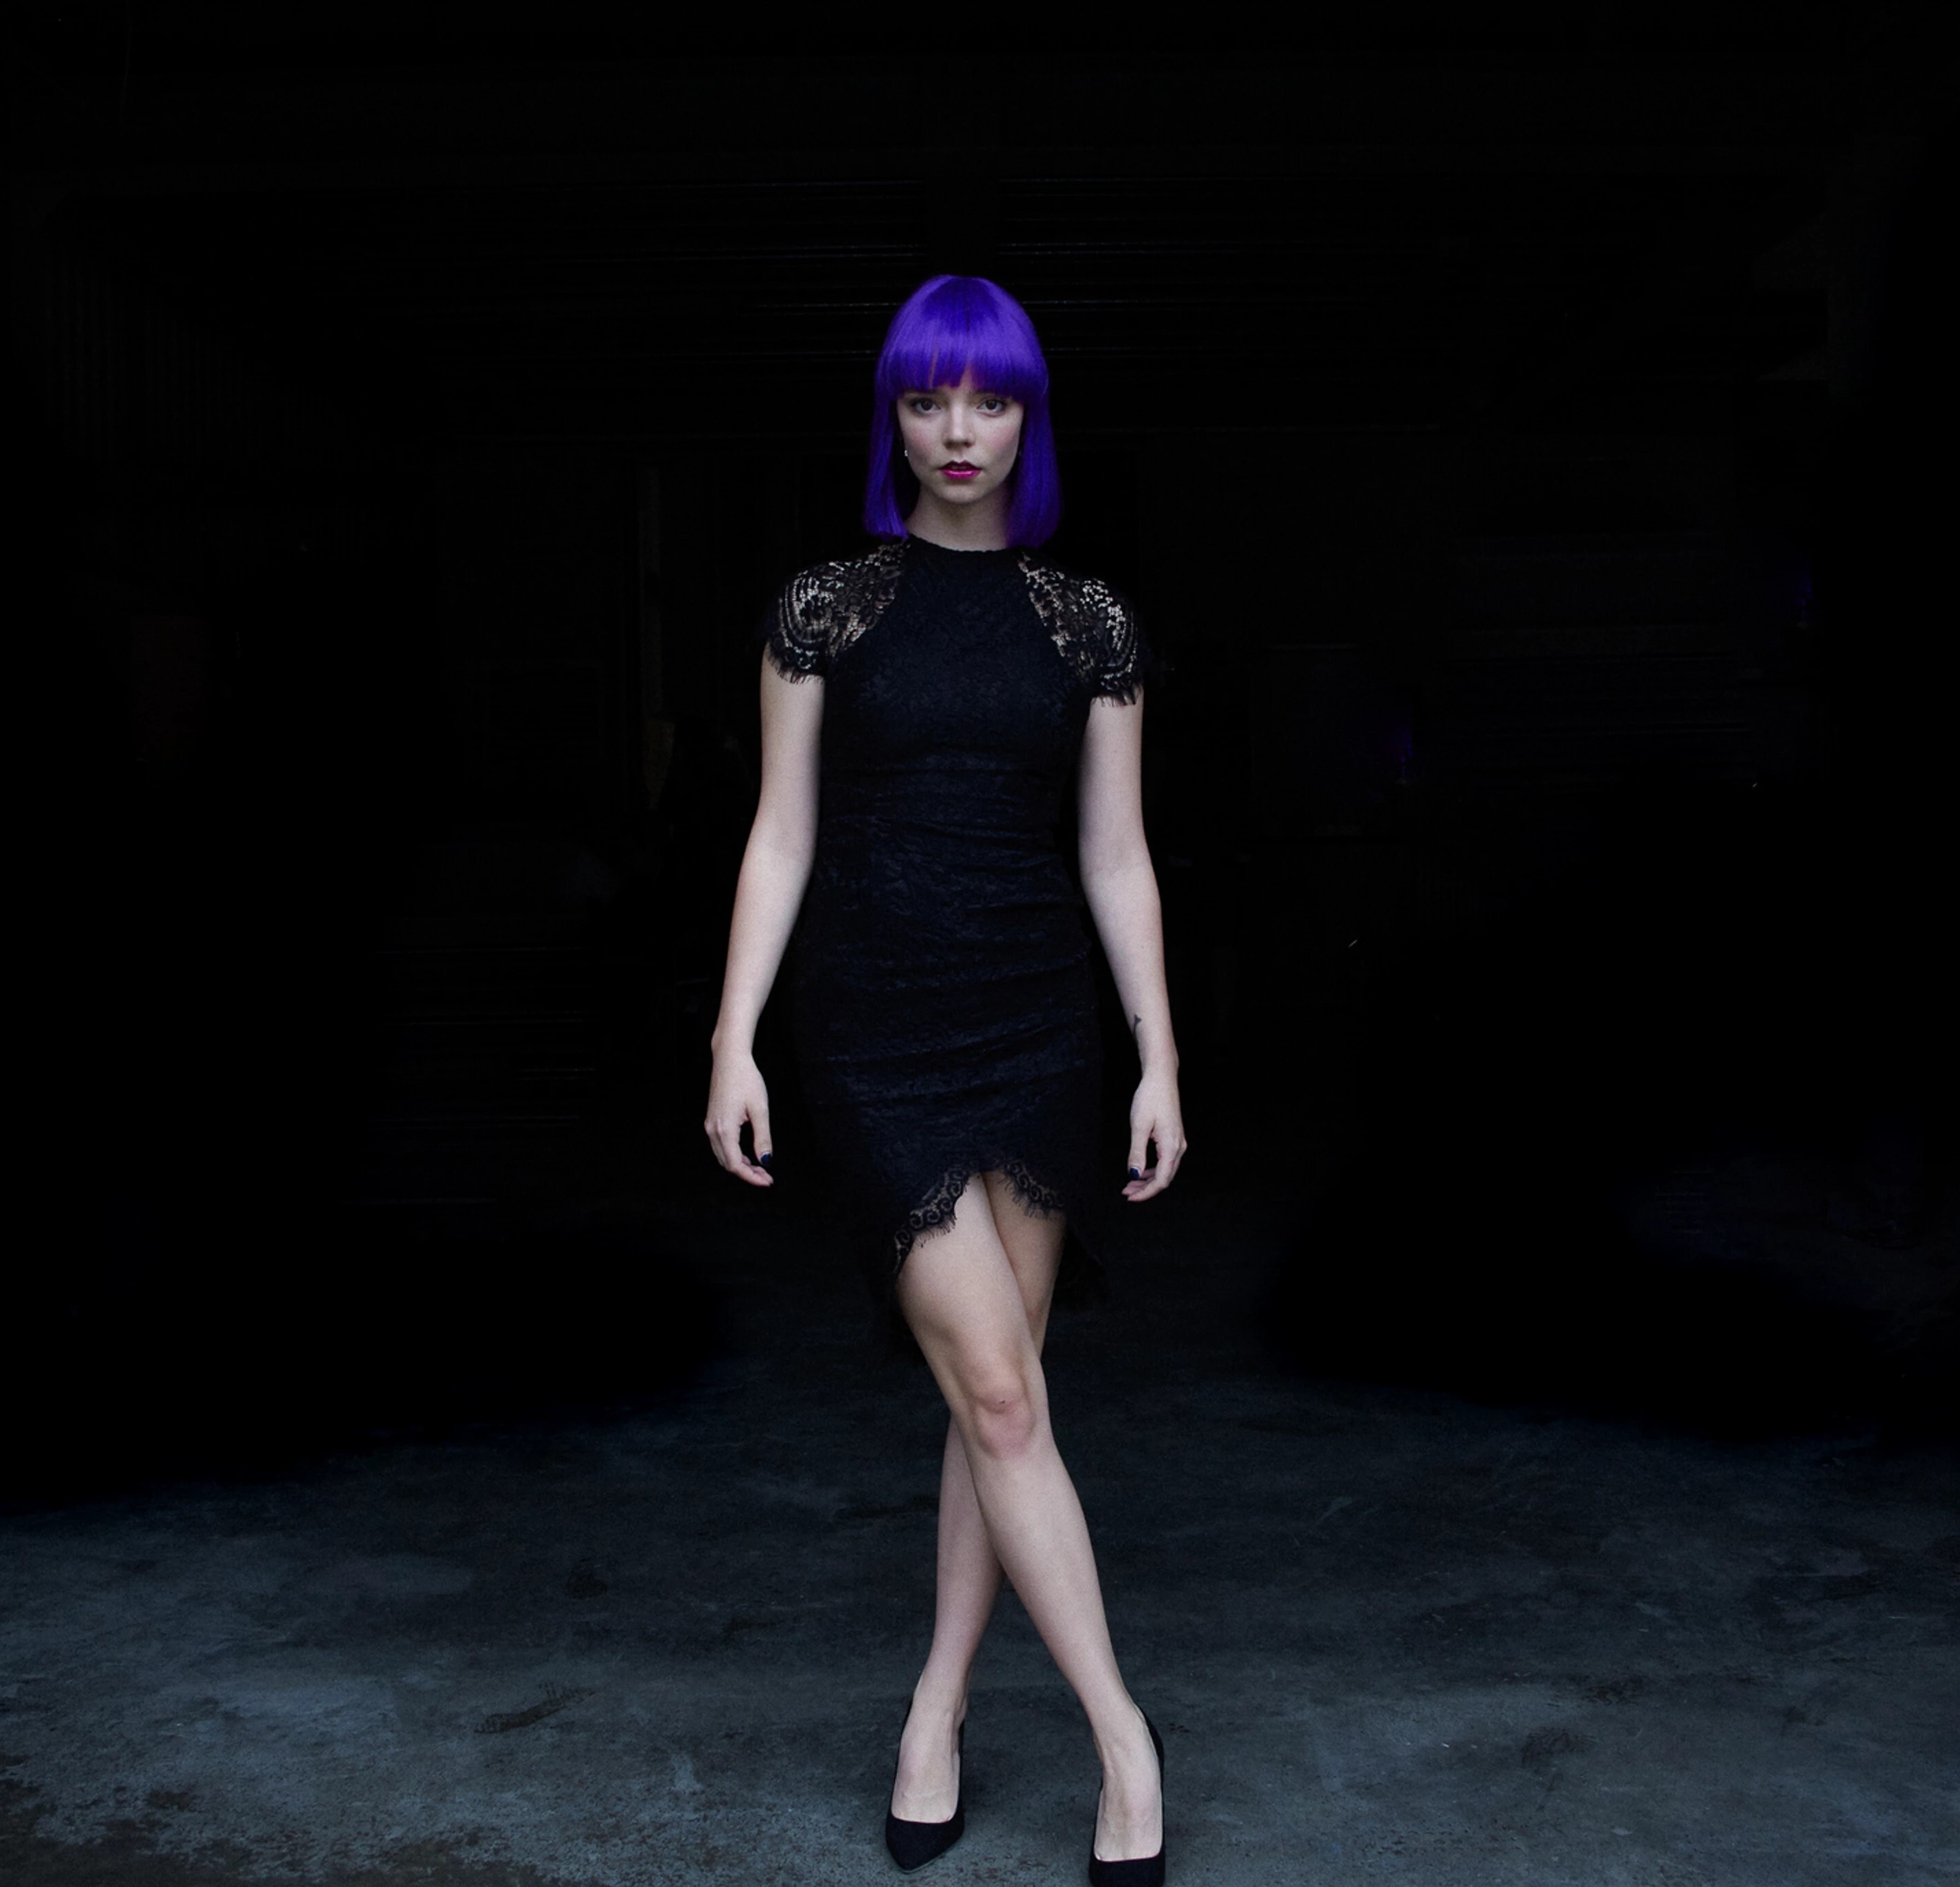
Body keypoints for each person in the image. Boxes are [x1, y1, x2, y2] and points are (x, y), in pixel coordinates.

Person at [703, 274, 1187, 1883]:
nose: (956, 429)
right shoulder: (823, 609)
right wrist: (730, 1036)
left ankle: (935, 1710)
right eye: (925, 400)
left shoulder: (1087, 623)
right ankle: (1124, 1739)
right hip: (872, 1031)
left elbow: (1115, 859)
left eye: (986, 400)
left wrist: (1158, 1056)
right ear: (892, 420)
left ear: (1027, 417)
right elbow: (779, 836)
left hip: (1038, 1028)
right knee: (996, 1391)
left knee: (1000, 1398)